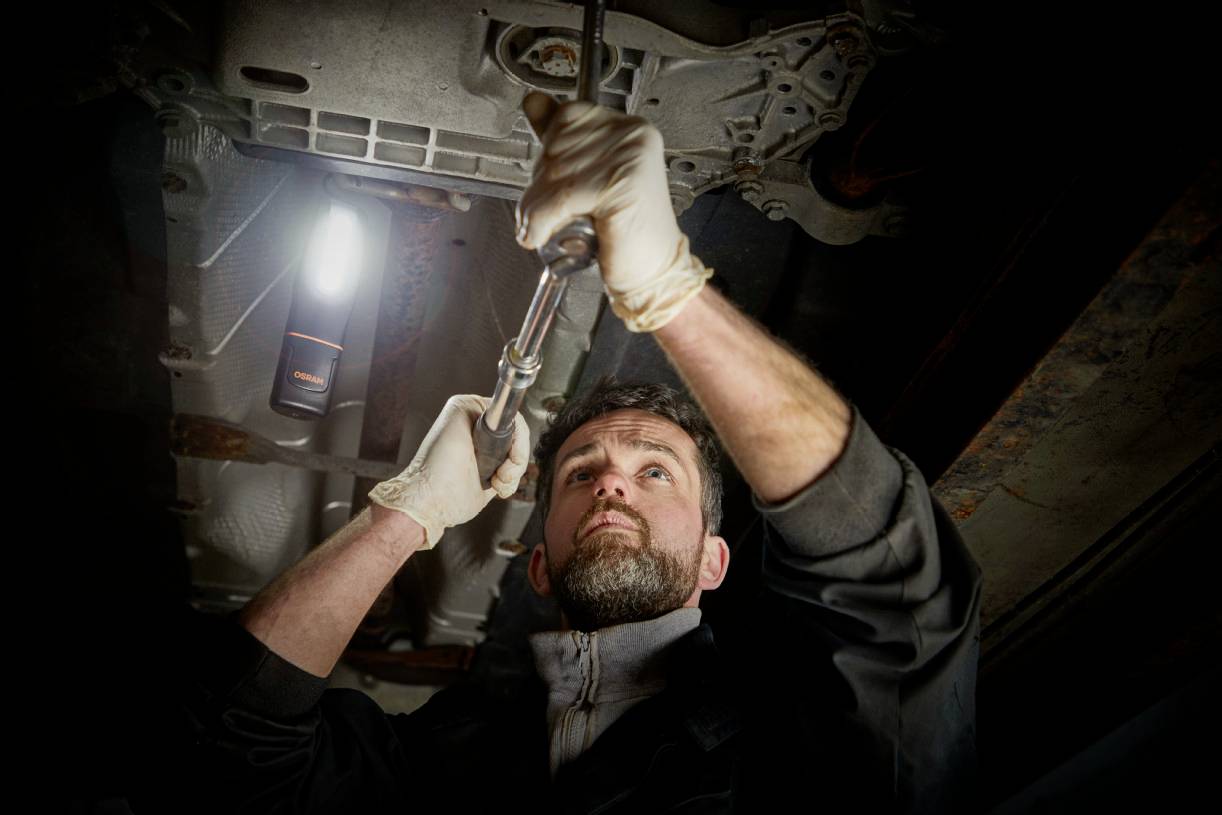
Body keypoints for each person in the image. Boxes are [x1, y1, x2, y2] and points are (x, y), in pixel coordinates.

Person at [180, 93, 982, 814]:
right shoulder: (450, 755)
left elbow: (889, 578)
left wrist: (671, 288)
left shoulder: (787, 740)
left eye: (655, 470)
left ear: (714, 559)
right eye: (581, 473)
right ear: (540, 564)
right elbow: (231, 759)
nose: (611, 488)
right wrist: (407, 512)